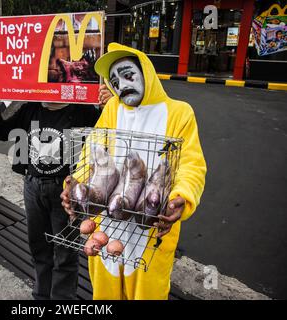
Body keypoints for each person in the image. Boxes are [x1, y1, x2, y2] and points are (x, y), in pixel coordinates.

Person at [60, 43, 207, 300]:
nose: (122, 85)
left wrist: (182, 197)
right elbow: (92, 154)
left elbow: (192, 165)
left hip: (151, 228)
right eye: (114, 81)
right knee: (105, 292)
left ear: (146, 72)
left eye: (128, 74)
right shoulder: (112, 110)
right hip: (107, 221)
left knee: (148, 292)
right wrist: (76, 185)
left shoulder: (179, 113)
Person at [0, 87, 103, 300]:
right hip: (33, 186)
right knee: (39, 247)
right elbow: (1, 131)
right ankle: (41, 296)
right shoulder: (30, 109)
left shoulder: (83, 111)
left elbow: (106, 133)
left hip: (66, 192)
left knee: (65, 251)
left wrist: (106, 107)